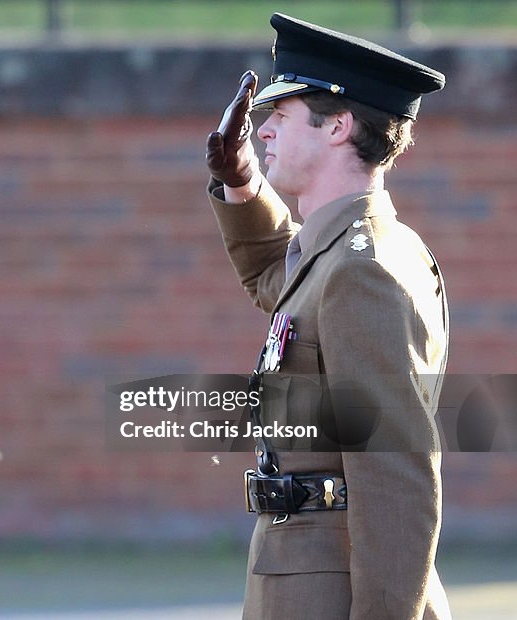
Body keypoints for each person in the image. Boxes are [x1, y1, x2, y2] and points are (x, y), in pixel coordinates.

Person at [205, 13, 451, 620]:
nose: (261, 132)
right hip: (305, 582)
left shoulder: (361, 272)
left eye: (280, 116)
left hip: (330, 593)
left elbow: (396, 476)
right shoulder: (346, 252)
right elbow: (279, 279)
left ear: (338, 126)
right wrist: (240, 182)